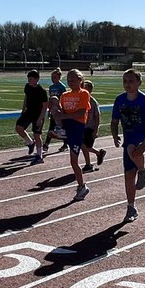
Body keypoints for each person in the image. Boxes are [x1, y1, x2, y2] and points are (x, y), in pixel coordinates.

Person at [111, 69, 145, 223]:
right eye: (125, 81)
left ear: (139, 83)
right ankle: (131, 207)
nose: (127, 84)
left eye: (131, 81)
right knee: (129, 174)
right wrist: (115, 135)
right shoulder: (119, 100)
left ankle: (143, 171)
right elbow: (114, 121)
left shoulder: (144, 100)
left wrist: (144, 145)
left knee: (132, 149)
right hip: (129, 139)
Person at [58, 69, 93, 202]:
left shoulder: (83, 93)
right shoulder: (64, 95)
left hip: (77, 128)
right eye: (68, 80)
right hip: (67, 125)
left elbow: (81, 113)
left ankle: (82, 186)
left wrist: (64, 116)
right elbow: (61, 112)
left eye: (73, 80)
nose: (70, 82)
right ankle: (59, 130)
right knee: (53, 101)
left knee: (74, 161)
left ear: (80, 80)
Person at [15, 69, 49, 164]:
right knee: (18, 128)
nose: (29, 81)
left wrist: (40, 118)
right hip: (28, 112)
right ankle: (30, 143)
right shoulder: (27, 87)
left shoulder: (42, 91)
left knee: (37, 135)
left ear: (37, 79)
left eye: (31, 79)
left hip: (38, 114)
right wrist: (23, 110)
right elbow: (26, 98)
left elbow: (45, 105)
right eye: (28, 79)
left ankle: (39, 156)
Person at [80, 79, 106, 171]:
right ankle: (98, 153)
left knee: (84, 146)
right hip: (82, 126)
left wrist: (95, 130)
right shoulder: (81, 100)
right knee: (84, 146)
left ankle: (89, 164)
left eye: (85, 88)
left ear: (90, 90)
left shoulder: (93, 102)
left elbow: (97, 117)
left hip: (90, 127)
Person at [44, 68, 67, 152]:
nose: (53, 79)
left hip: (60, 110)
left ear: (59, 77)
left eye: (55, 77)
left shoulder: (62, 87)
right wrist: (49, 111)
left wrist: (63, 110)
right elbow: (50, 100)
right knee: (51, 126)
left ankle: (65, 144)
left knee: (61, 128)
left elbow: (64, 99)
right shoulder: (51, 87)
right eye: (52, 77)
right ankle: (46, 144)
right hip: (53, 111)